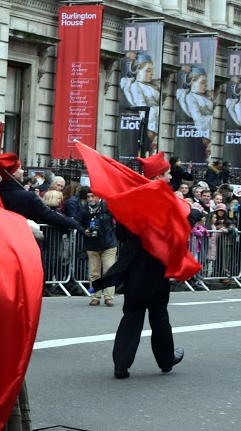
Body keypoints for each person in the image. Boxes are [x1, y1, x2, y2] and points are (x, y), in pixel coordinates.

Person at [96, 153, 195, 379]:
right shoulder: (163, 199)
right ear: (159, 175)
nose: (171, 177)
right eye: (168, 173)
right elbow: (177, 228)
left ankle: (121, 364)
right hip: (156, 266)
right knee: (159, 315)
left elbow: (121, 233)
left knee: (132, 314)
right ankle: (166, 360)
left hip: (133, 266)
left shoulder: (132, 198)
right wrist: (194, 214)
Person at [76, 189, 118, 307]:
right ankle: (96, 296)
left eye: (93, 196)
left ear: (99, 196)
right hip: (92, 244)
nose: (90, 199)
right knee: (94, 272)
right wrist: (84, 231)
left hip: (108, 243)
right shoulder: (84, 209)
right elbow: (77, 223)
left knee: (108, 270)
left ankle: (108, 297)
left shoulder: (107, 206)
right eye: (88, 196)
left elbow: (118, 218)